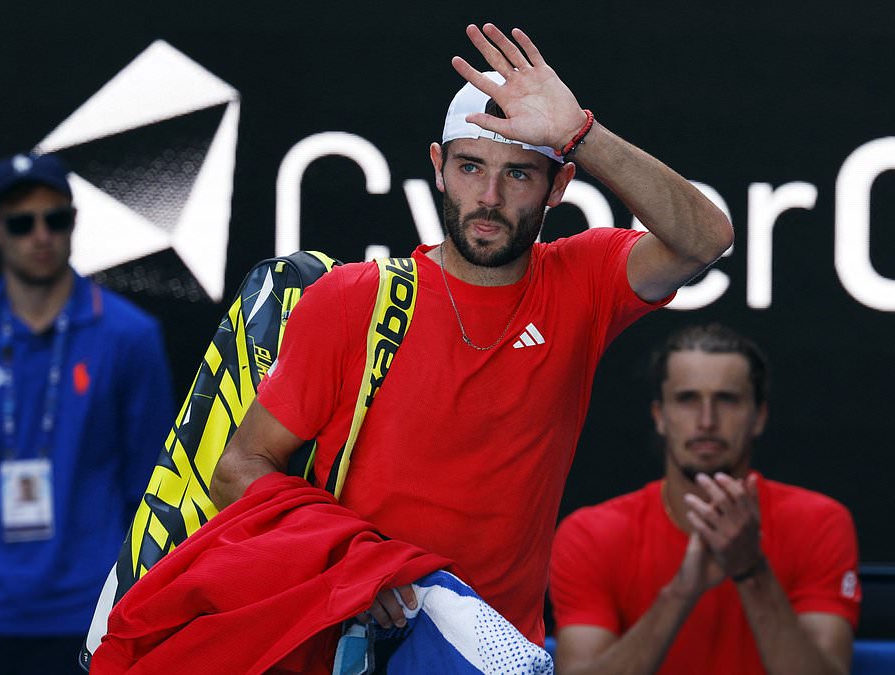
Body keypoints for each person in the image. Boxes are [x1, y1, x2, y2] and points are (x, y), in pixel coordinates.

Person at [210, 22, 734, 647]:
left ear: (559, 186)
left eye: (519, 175)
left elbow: (706, 240)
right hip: (351, 644)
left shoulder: (583, 282)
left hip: (498, 654)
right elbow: (239, 467)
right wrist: (348, 561)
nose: (488, 197)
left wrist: (580, 135)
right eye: (470, 166)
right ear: (438, 168)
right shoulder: (353, 298)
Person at [0, 152, 174, 674]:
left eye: (55, 218)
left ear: (73, 222)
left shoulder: (131, 336)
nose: (41, 236)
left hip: (90, 610)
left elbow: (150, 480)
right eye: (21, 223)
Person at [548, 323, 861, 675]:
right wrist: (681, 592)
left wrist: (751, 571)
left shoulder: (818, 523)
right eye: (687, 399)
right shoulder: (591, 534)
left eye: (727, 399)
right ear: (660, 417)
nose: (707, 420)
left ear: (759, 417)